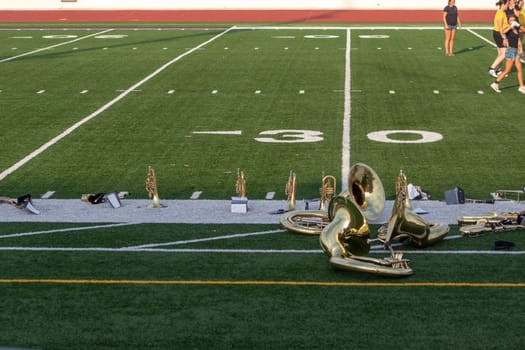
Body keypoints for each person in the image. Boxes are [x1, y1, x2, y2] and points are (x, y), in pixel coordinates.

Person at [490, 15, 525, 93]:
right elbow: (503, 32)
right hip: (510, 51)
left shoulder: (517, 28)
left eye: (513, 20)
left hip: (516, 51)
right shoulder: (508, 28)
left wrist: (518, 25)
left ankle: (521, 86)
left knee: (519, 69)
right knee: (507, 70)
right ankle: (495, 83)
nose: (512, 21)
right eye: (510, 20)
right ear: (508, 21)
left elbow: (521, 34)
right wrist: (510, 26)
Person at [489, 0, 510, 77]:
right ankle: (491, 68)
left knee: (500, 54)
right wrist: (504, 38)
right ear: (503, 4)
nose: (508, 6)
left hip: (498, 33)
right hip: (499, 34)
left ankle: (498, 70)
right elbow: (501, 28)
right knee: (504, 54)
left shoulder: (502, 12)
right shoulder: (500, 14)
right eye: (507, 4)